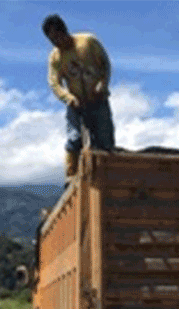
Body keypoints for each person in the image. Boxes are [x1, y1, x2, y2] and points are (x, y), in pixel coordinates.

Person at [43, 14, 115, 185]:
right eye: (52, 40)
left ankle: (106, 176)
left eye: (57, 37)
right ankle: (71, 177)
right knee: (74, 139)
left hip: (97, 100)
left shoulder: (88, 42)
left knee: (104, 140)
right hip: (76, 103)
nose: (56, 42)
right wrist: (68, 98)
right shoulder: (56, 57)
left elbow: (105, 64)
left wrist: (102, 85)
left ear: (64, 31)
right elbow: (54, 83)